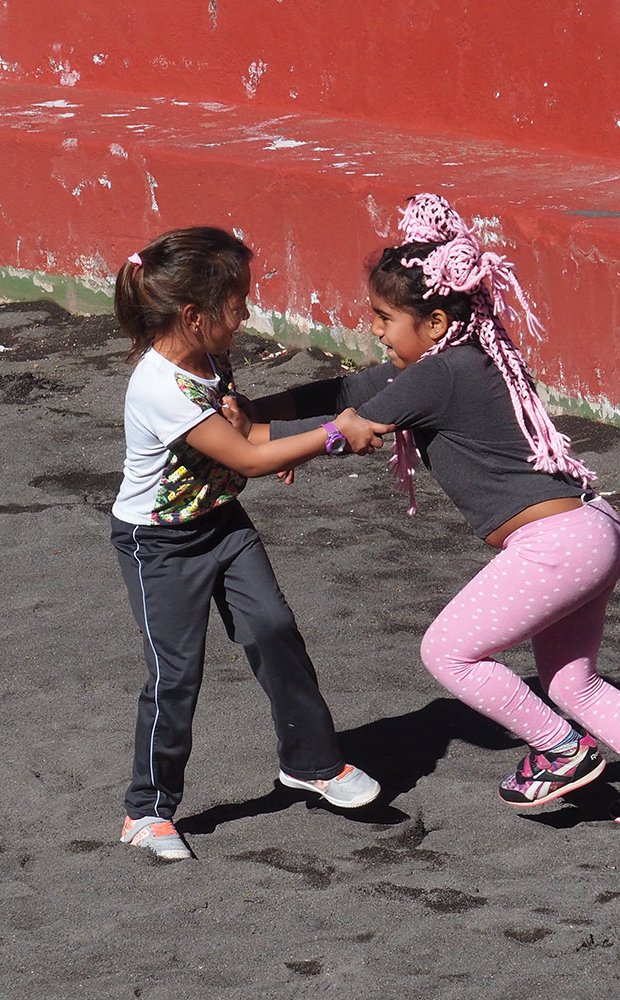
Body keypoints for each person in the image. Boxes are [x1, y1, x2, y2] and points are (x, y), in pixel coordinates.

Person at [242, 194, 620, 833]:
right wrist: (254, 414)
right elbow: (344, 392)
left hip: (554, 544)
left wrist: (257, 443)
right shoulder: (465, 360)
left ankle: (561, 749)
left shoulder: (440, 375)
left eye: (384, 319)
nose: (377, 332)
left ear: (435, 321)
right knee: (575, 684)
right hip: (592, 529)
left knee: (449, 652)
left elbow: (353, 423)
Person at [109, 226, 391, 860]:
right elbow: (243, 454)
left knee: (272, 629)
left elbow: (242, 426)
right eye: (238, 300)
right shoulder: (160, 386)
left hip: (222, 524)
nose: (246, 311)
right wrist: (329, 435)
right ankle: (146, 811)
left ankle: (312, 763)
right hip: (159, 545)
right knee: (175, 674)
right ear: (193, 314)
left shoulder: (210, 358)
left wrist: (278, 438)